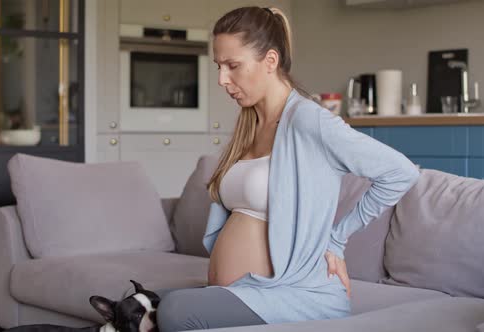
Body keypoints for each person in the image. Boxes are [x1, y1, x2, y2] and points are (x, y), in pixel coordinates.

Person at [155, 6, 420, 331]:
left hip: (293, 294)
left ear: (270, 61)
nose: (222, 79)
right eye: (219, 66)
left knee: (171, 310)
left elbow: (400, 173)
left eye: (233, 66)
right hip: (241, 291)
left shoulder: (309, 120)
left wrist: (337, 239)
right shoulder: (249, 124)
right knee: (140, 302)